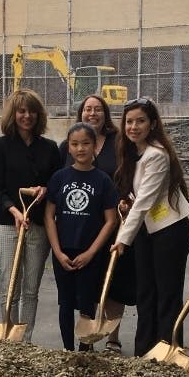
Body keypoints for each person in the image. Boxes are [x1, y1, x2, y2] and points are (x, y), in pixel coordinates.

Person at [111, 97, 189, 357]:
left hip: (170, 231)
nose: (133, 126)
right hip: (148, 231)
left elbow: (145, 201)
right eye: (129, 121)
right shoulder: (138, 153)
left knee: (167, 294)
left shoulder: (156, 155)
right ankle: (144, 351)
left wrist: (122, 239)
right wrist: (128, 204)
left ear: (153, 124)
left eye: (140, 121)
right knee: (146, 291)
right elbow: (142, 197)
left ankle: (168, 351)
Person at [60, 95, 133, 353]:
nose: (93, 113)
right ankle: (80, 340)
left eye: (98, 109)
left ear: (106, 114)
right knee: (80, 289)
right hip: (77, 230)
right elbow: (57, 186)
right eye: (88, 109)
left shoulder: (119, 143)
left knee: (112, 282)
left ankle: (112, 337)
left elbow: (129, 173)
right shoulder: (66, 147)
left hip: (112, 221)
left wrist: (127, 199)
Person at [0, 89, 60, 344]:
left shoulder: (50, 148)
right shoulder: (0, 146)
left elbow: (56, 185)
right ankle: (9, 339)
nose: (27, 116)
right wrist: (15, 210)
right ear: (13, 114)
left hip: (38, 226)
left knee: (31, 289)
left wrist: (46, 188)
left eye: (31, 111)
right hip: (8, 225)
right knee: (10, 287)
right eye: (21, 111)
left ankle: (26, 340)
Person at [45, 122, 119, 351]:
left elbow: (111, 220)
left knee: (87, 303)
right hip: (63, 251)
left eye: (86, 143)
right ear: (68, 148)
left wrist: (91, 252)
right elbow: (49, 216)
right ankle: (67, 350)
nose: (80, 149)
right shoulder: (59, 177)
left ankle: (85, 350)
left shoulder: (103, 180)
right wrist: (57, 252)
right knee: (65, 303)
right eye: (74, 144)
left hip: (90, 253)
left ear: (95, 146)